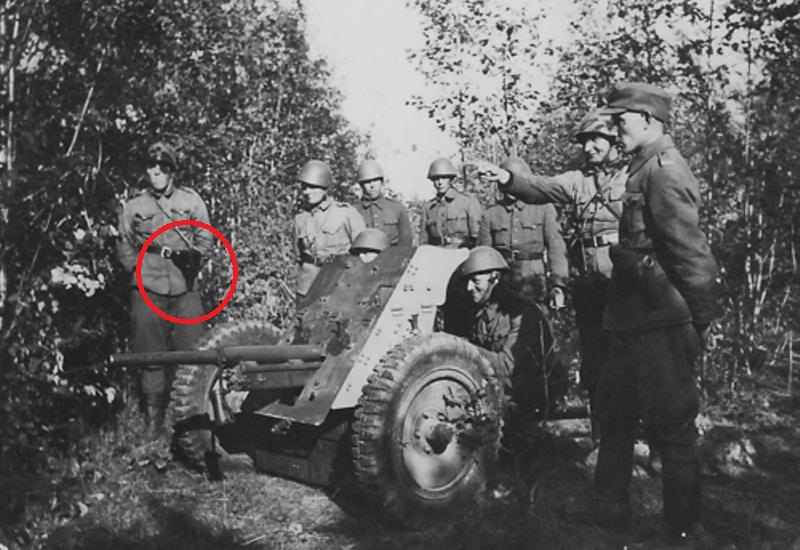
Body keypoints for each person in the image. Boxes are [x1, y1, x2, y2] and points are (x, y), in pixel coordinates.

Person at [592, 82, 721, 544]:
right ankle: (609, 514)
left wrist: (700, 321)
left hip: (661, 321)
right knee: (616, 414)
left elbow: (690, 255)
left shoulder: (664, 171)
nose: (614, 129)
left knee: (673, 426)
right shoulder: (643, 167)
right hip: (634, 320)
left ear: (647, 121)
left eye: (621, 120)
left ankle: (685, 529)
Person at [475, 108, 627, 431]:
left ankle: (645, 435)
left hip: (624, 283)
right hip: (590, 286)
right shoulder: (577, 181)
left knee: (631, 358)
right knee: (595, 363)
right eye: (583, 142)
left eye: (596, 140)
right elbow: (541, 187)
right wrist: (507, 179)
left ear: (615, 141)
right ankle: (603, 437)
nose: (588, 148)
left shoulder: (633, 176)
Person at [116, 141, 213, 434]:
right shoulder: (134, 206)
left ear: (172, 171)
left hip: (185, 285)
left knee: (195, 354)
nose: (157, 172)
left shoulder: (191, 201)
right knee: (151, 355)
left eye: (163, 167)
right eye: (152, 167)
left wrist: (195, 260)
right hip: (148, 286)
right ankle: (153, 421)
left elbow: (205, 237)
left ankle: (193, 420)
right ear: (146, 171)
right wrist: (137, 269)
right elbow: (124, 242)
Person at [454, 246, 563, 417]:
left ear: (495, 278)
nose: (469, 287)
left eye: (475, 281)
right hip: (501, 393)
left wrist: (462, 348)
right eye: (467, 281)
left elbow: (507, 368)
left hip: (528, 400)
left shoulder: (522, 313)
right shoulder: (481, 313)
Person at [477, 156, 568, 306]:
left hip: (534, 282)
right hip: (503, 282)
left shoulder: (544, 208)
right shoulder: (491, 214)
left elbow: (556, 249)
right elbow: (484, 256)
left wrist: (558, 285)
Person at [293, 159, 366, 297]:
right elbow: (298, 256)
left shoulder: (346, 213)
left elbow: (364, 253)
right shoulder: (300, 218)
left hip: (338, 284)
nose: (307, 191)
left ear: (325, 187)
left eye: (313, 187)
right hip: (307, 286)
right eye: (304, 187)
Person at [419, 157, 482, 248]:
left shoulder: (467, 201)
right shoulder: (428, 208)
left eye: (444, 178)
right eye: (436, 179)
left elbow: (477, 237)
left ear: (450, 179)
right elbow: (424, 242)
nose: (439, 182)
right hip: (437, 254)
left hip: (462, 252)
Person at [353, 160, 413, 247]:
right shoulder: (354, 211)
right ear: (361, 185)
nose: (372, 185)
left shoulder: (396, 208)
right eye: (367, 181)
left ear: (381, 182)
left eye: (375, 180)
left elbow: (406, 241)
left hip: (391, 254)